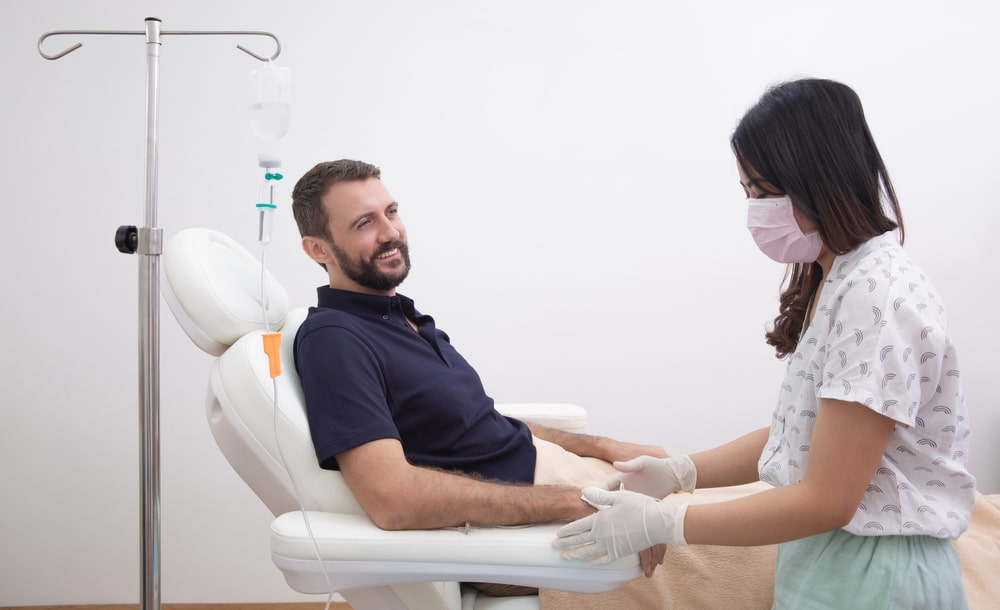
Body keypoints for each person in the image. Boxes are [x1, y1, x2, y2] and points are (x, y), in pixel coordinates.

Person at [553, 78, 976, 609]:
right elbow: (800, 437)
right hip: (833, 562)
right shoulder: (841, 280)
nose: (754, 209)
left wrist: (669, 521)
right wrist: (681, 473)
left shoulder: (878, 293)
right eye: (747, 192)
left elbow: (828, 498)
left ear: (816, 177)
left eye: (762, 190)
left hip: (877, 575)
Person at [289, 159, 669, 588]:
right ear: (318, 249)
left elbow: (481, 422)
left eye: (391, 212)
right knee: (746, 541)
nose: (391, 232)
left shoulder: (402, 319)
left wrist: (602, 448)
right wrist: (575, 501)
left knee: (733, 494)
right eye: (364, 223)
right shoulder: (334, 339)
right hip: (538, 522)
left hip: (562, 481)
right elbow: (391, 498)